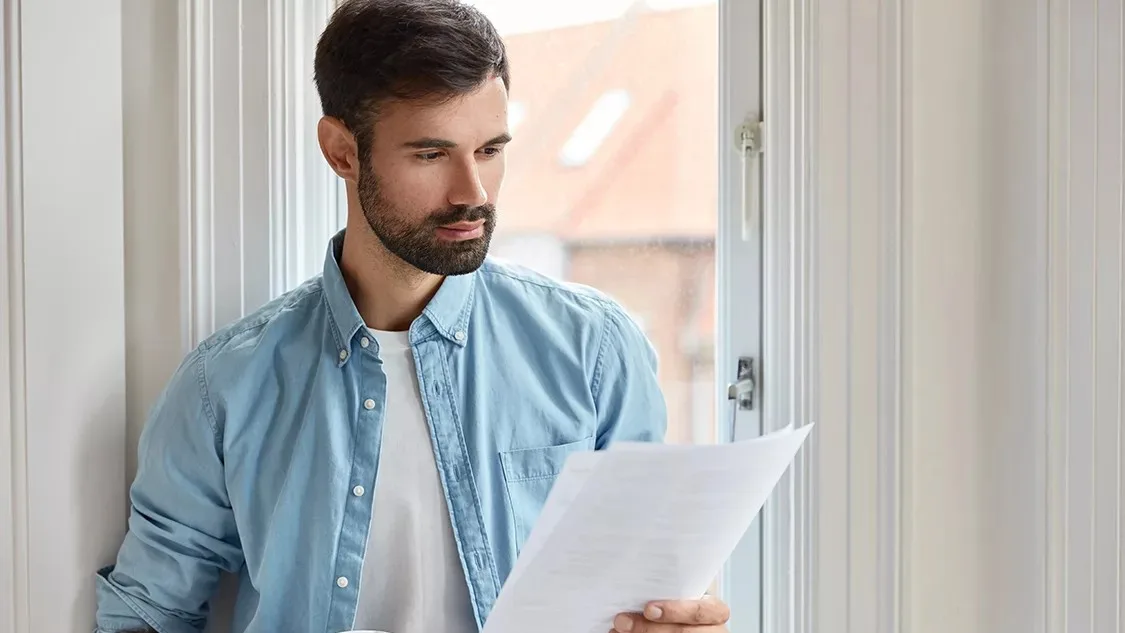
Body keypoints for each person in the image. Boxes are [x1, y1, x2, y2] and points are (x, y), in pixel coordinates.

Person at [94, 0, 733, 632]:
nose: (472, 193)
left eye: (489, 150)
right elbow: (147, 615)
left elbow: (650, 583)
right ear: (342, 151)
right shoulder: (224, 386)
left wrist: (675, 617)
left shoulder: (594, 348)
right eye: (431, 154)